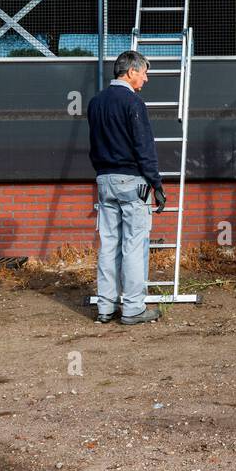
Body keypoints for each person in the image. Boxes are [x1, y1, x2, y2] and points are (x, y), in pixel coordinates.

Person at [87, 51, 166, 325]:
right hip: (134, 181)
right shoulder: (133, 103)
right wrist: (156, 184)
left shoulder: (96, 103)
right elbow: (144, 147)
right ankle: (133, 309)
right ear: (131, 71)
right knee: (135, 243)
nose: (145, 78)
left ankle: (105, 307)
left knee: (108, 244)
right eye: (143, 72)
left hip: (104, 180)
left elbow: (94, 145)